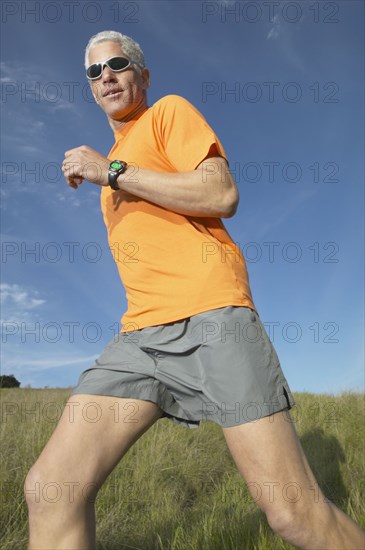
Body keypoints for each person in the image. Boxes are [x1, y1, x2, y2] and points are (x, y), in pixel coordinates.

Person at [24, 30, 365, 550]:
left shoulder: (166, 114)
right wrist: (110, 171)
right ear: (90, 88)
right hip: (139, 337)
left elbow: (221, 192)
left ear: (142, 75)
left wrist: (111, 170)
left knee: (293, 515)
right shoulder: (112, 167)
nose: (106, 76)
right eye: (94, 72)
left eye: (117, 64)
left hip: (212, 317)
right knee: (51, 490)